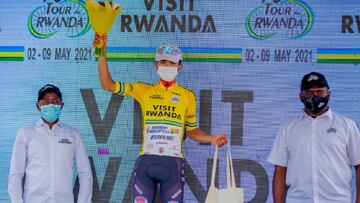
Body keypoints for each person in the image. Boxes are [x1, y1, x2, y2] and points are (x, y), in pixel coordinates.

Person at [93, 34, 228, 203]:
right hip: (146, 162)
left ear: (180, 66)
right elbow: (107, 84)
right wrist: (101, 52)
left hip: (173, 164)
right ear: (155, 64)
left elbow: (192, 131)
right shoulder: (144, 90)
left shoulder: (188, 96)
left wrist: (212, 138)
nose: (167, 65)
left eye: (172, 62)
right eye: (163, 61)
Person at [268, 72, 360, 203]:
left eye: (320, 92)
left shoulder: (347, 126)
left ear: (329, 94)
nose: (315, 96)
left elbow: (359, 165)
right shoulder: (288, 127)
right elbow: (280, 170)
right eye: (310, 93)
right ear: (301, 97)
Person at [8, 84, 93, 203]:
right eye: (46, 101)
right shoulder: (26, 133)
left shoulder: (73, 135)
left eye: (55, 101)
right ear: (38, 106)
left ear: (61, 105)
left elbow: (85, 173)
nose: (51, 105)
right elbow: (16, 173)